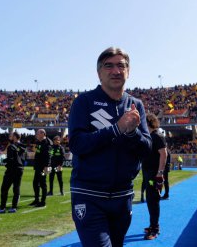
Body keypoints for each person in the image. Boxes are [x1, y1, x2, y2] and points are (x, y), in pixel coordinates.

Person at [68, 47, 152, 247]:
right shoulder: (84, 102)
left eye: (121, 66)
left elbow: (146, 149)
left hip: (123, 197)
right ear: (99, 73)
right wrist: (116, 129)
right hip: (89, 195)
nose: (116, 71)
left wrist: (132, 133)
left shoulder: (135, 105)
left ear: (128, 72)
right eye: (109, 66)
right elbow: (77, 144)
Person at [142, 113, 167, 240]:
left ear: (149, 123)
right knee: (150, 200)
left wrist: (160, 173)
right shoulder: (150, 136)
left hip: (154, 174)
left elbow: (164, 154)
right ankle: (152, 225)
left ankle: (155, 228)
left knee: (153, 200)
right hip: (148, 173)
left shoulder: (157, 136)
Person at [0, 131, 26, 213]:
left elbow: (11, 159)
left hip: (12, 169)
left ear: (14, 137)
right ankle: (14, 207)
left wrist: (2, 159)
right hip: (20, 169)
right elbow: (23, 158)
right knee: (16, 188)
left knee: (4, 189)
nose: (9, 137)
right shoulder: (23, 146)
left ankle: (2, 208)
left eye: (11, 135)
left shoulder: (11, 146)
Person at [29, 129, 52, 208]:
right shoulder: (39, 142)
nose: (36, 134)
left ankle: (43, 201)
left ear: (43, 134)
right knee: (35, 183)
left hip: (44, 167)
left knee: (43, 183)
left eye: (38, 133)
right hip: (38, 166)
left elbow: (49, 155)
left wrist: (47, 166)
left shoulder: (47, 142)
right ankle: (36, 200)